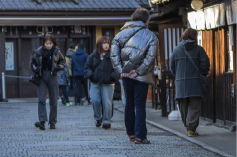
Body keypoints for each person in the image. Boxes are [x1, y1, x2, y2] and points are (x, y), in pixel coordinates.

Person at [111, 8, 159, 144]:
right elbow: (151, 57)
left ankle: (131, 134)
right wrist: (138, 72)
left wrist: (121, 71)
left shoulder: (119, 35)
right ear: (147, 21)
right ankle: (140, 136)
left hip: (126, 75)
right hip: (141, 76)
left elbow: (114, 56)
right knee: (140, 105)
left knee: (129, 105)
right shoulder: (151, 36)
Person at [169, 28, 210, 136]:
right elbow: (205, 64)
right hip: (195, 82)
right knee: (194, 106)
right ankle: (191, 128)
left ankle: (187, 127)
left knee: (183, 106)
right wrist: (202, 74)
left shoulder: (176, 50)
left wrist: (178, 75)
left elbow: (171, 66)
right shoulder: (199, 49)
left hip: (180, 82)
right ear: (194, 36)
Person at [31, 34, 66, 130]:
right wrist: (36, 71)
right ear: (43, 43)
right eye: (47, 43)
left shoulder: (56, 51)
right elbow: (33, 63)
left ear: (53, 43)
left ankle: (52, 122)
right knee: (41, 98)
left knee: (53, 100)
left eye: (50, 43)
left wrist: (57, 68)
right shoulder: (39, 51)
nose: (48, 45)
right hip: (42, 77)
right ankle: (42, 121)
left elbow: (63, 62)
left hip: (53, 76)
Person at [85, 36, 118, 129]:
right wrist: (91, 75)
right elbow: (87, 67)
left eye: (107, 43)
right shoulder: (93, 56)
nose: (106, 45)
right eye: (104, 43)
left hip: (108, 83)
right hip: (95, 82)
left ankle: (107, 121)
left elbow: (117, 68)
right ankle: (97, 117)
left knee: (107, 103)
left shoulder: (113, 56)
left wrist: (112, 77)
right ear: (99, 44)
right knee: (94, 100)